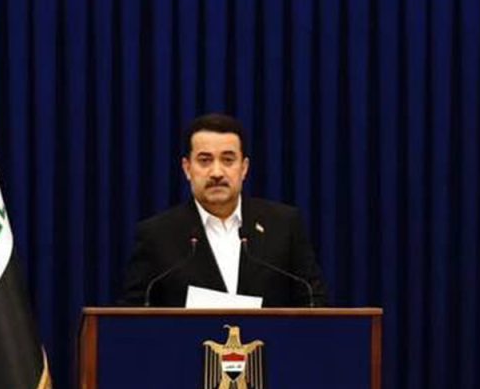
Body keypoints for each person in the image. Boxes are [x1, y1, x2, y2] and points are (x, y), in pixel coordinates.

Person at [119, 113, 329, 307]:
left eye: (228, 160)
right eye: (205, 160)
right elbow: (133, 315)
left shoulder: (283, 225)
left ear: (244, 168)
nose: (217, 172)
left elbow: (314, 301)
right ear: (187, 168)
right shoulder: (156, 235)